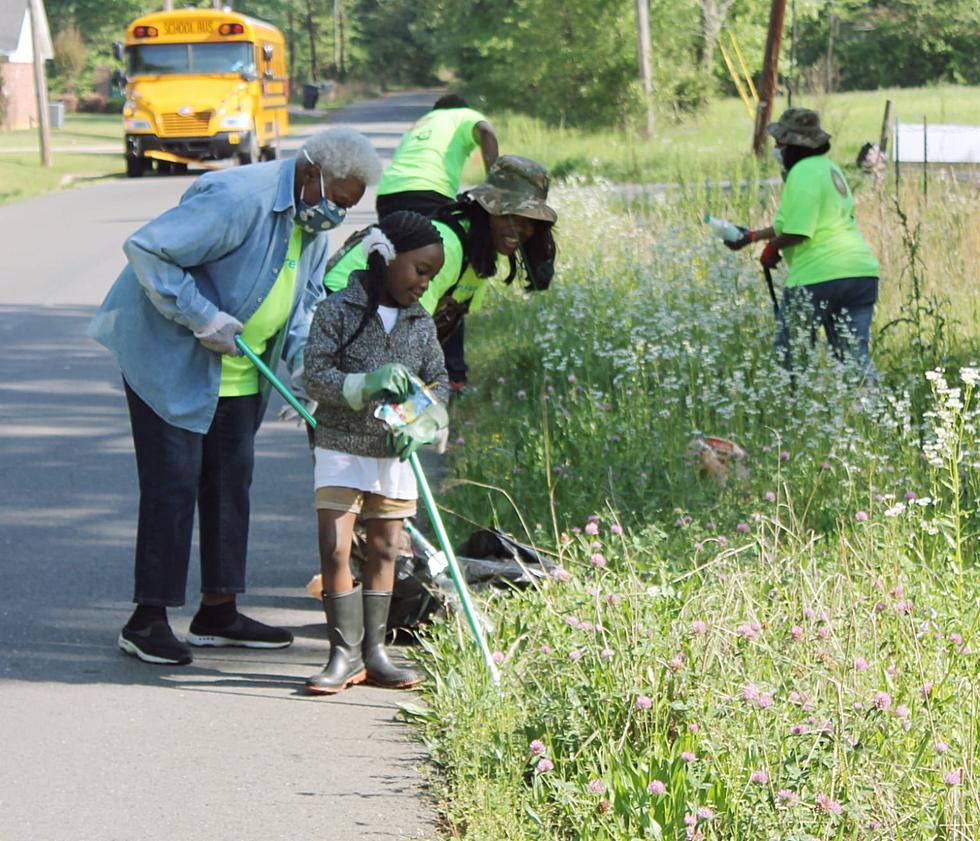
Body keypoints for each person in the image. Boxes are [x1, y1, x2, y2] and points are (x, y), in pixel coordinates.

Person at [87, 127, 383, 666]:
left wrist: (309, 373)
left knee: (230, 486)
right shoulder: (238, 199)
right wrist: (203, 316)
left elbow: (304, 306)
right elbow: (147, 249)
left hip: (244, 373)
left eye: (350, 209)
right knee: (173, 487)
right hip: (172, 362)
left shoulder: (311, 227)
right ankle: (147, 620)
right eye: (339, 202)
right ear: (313, 173)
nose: (339, 217)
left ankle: (217, 612)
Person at [301, 211, 450, 694]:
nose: (426, 283)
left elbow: (439, 382)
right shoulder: (337, 310)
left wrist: (425, 423)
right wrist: (363, 384)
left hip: (392, 453)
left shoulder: (419, 322)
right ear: (387, 257)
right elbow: (315, 377)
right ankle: (341, 653)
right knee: (336, 546)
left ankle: (375, 652)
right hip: (341, 446)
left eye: (432, 274)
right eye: (420, 270)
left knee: (386, 548)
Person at [327, 155, 558, 389]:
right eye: (509, 215)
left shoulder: (480, 254)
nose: (519, 228)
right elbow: (405, 334)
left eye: (529, 220)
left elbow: (439, 327)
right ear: (487, 209)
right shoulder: (448, 247)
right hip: (338, 308)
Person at [726, 108, 881, 379]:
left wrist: (772, 248)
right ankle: (872, 414)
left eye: (779, 144)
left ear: (793, 147)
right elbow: (789, 224)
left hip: (818, 278)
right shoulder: (830, 169)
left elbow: (800, 231)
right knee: (855, 361)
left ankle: (789, 411)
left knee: (792, 359)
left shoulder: (802, 173)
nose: (776, 150)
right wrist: (753, 236)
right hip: (860, 274)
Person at [375, 94, 498, 220]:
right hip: (428, 193)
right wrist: (495, 183)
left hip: (387, 195)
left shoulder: (421, 123)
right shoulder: (464, 114)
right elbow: (486, 131)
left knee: (395, 238)